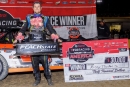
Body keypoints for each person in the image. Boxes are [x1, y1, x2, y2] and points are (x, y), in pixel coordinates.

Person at [14, 1, 59, 86]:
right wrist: (18, 37)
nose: (37, 8)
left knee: (45, 62)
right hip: (33, 45)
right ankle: (37, 79)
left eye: (38, 7)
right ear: (33, 8)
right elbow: (23, 29)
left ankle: (49, 78)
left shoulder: (45, 18)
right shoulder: (28, 18)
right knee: (35, 63)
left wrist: (55, 36)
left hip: (43, 44)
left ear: (41, 8)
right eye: (35, 7)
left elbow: (50, 29)